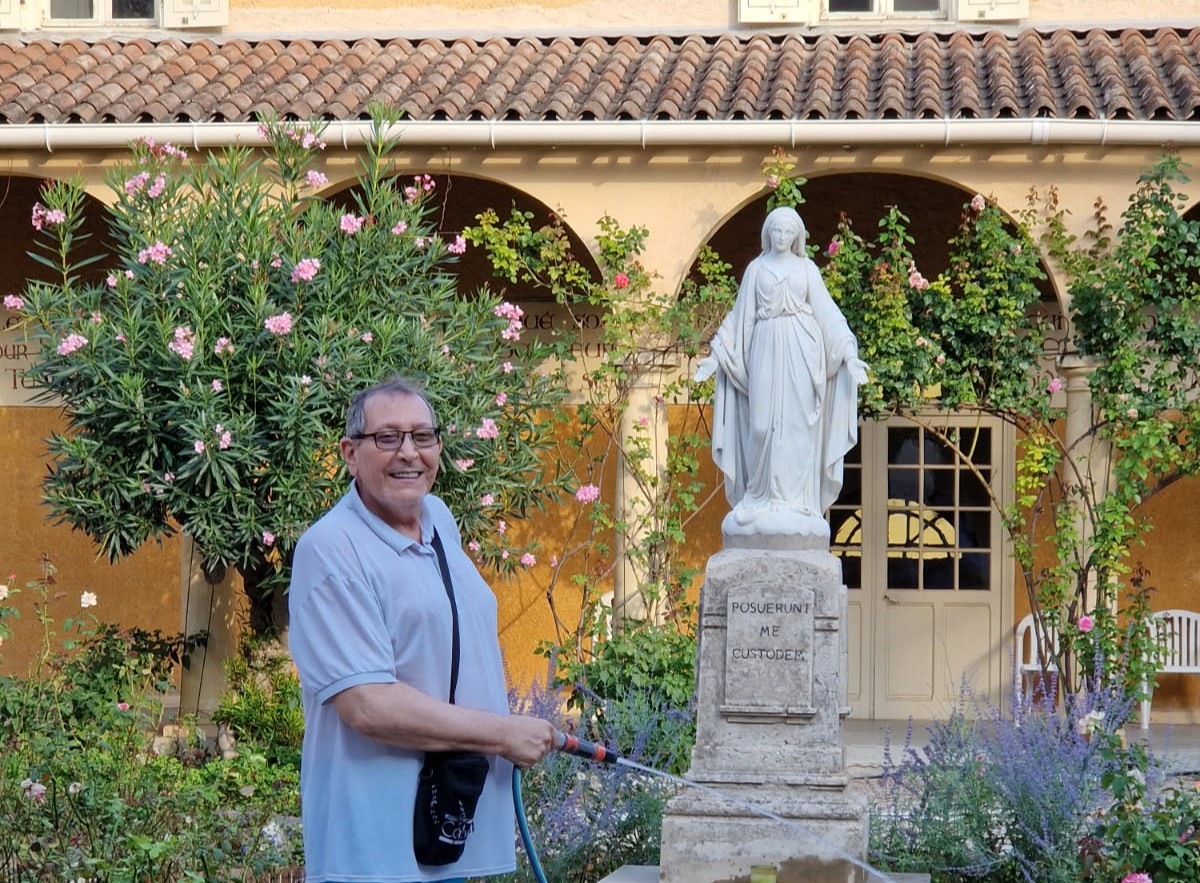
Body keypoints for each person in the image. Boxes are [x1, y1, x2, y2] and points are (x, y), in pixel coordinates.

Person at [288, 375, 556, 883]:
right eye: (387, 438)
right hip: (375, 848)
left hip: (446, 825)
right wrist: (503, 734)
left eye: (423, 436)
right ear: (350, 453)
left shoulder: (439, 519)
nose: (408, 453)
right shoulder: (330, 549)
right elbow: (367, 703)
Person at [695, 206, 869, 541]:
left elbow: (829, 316)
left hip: (803, 352)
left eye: (788, 232)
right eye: (776, 231)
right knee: (761, 426)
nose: (781, 237)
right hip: (765, 351)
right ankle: (760, 497)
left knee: (796, 429)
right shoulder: (756, 270)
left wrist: (848, 354)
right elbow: (738, 320)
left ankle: (795, 502)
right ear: (767, 233)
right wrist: (716, 356)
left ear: (797, 237)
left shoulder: (806, 270)